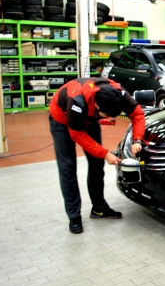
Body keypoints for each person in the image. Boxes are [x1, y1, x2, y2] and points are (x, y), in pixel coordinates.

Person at [49, 77, 145, 234]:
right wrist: (105, 153)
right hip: (62, 120)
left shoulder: (119, 93)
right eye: (106, 115)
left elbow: (138, 115)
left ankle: (99, 207)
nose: (109, 119)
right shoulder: (77, 100)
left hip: (90, 118)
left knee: (96, 163)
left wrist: (137, 139)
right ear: (97, 104)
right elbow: (77, 135)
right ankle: (74, 216)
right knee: (68, 168)